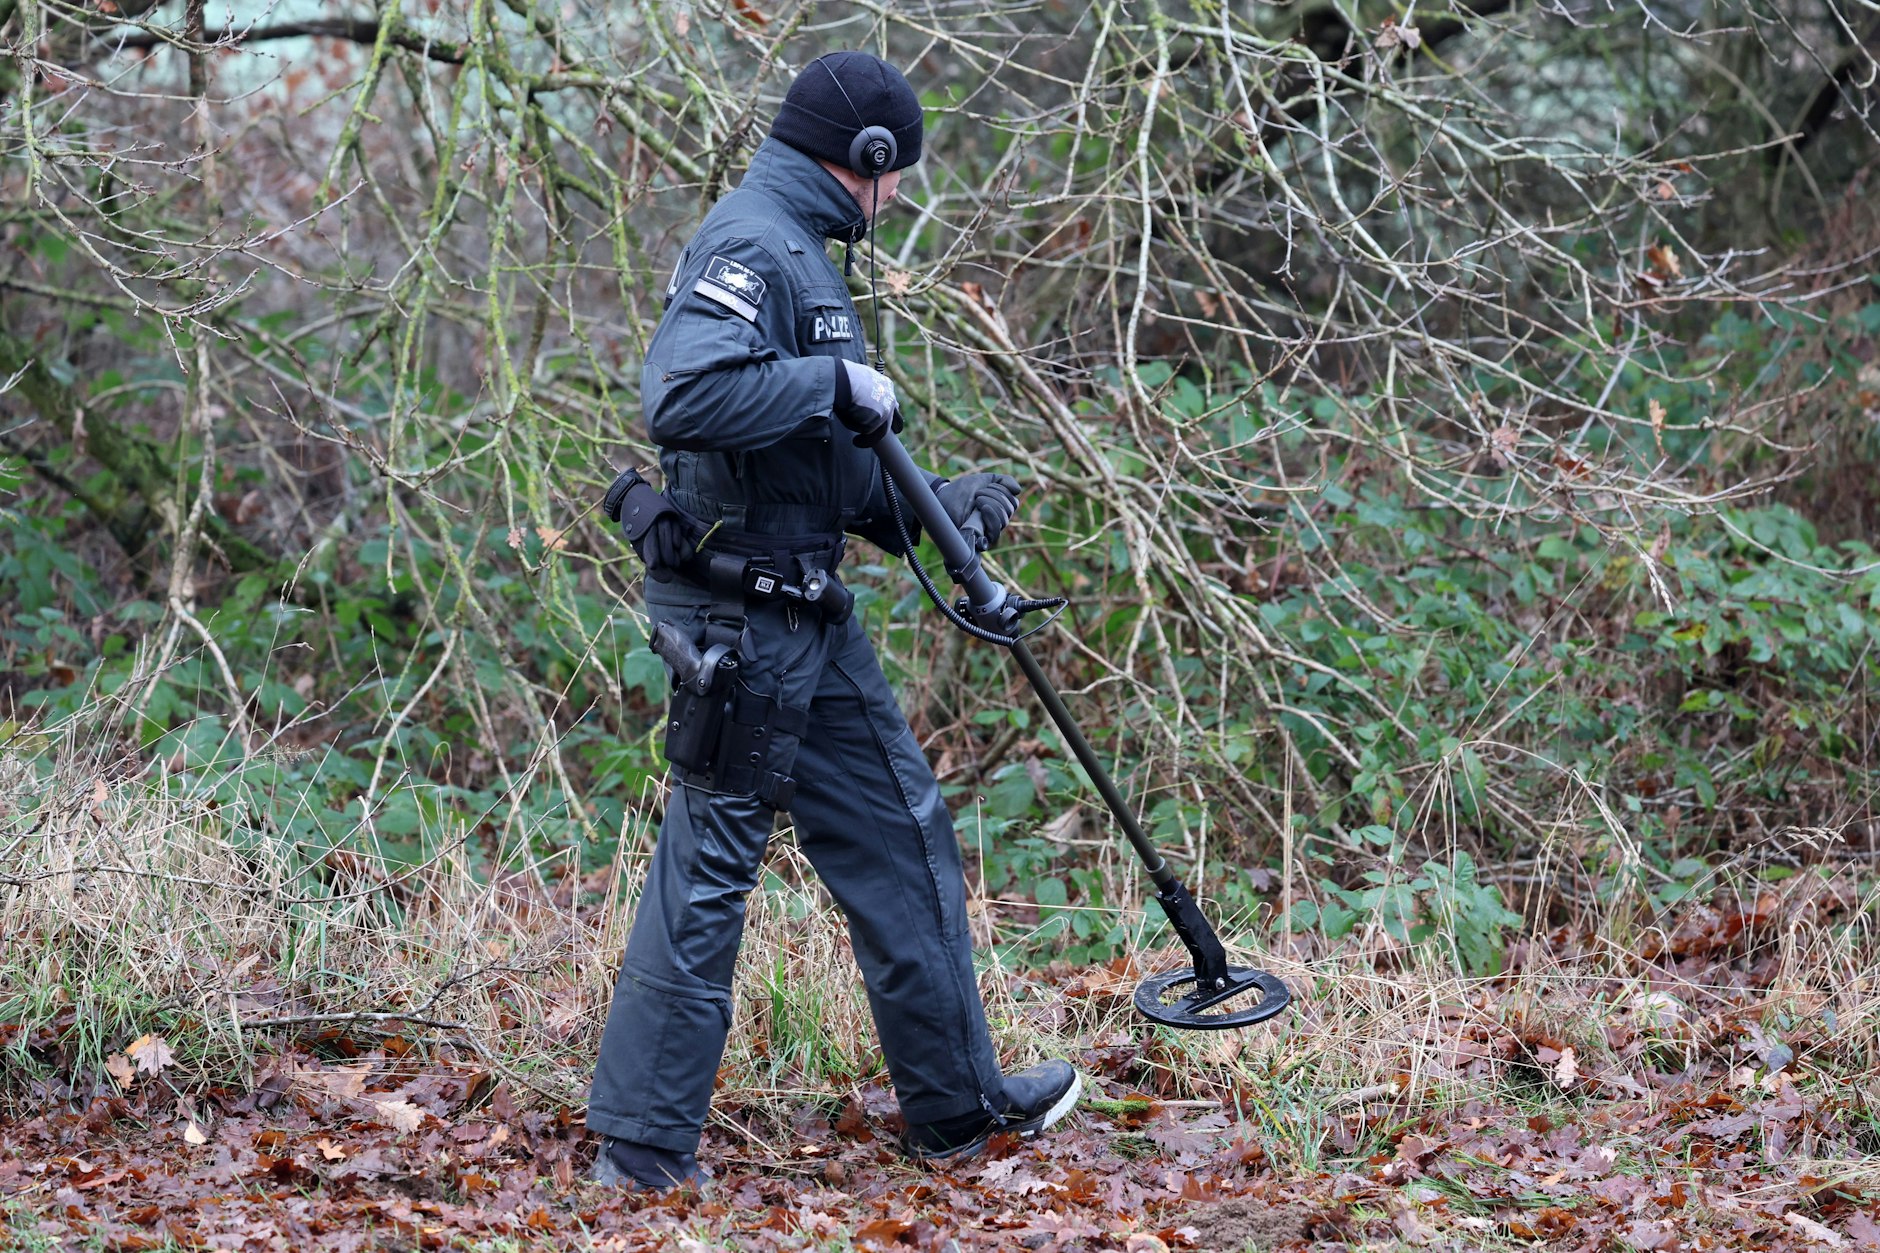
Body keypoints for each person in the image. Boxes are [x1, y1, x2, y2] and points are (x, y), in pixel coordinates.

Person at [586, 50, 1079, 1193]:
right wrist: (832, 388)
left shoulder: (803, 254)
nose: (899, 193)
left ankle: (957, 1108)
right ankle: (644, 1152)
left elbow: (802, 468)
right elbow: (685, 395)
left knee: (903, 828)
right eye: (895, 170)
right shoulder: (754, 242)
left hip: (804, 607)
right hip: (741, 621)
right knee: (710, 862)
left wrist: (933, 513)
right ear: (860, 160)